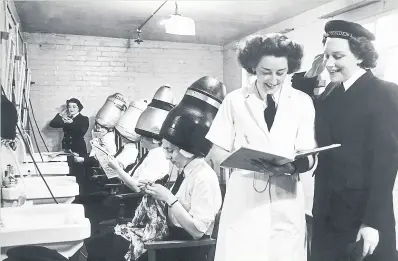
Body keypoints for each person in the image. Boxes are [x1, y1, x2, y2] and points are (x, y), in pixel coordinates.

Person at [205, 33, 317, 261]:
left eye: (281, 73)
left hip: (286, 199)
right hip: (244, 198)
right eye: (266, 72)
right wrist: (241, 160)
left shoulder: (302, 102)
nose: (273, 79)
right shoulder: (234, 101)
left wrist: (291, 168)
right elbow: (215, 151)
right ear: (253, 67)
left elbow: (310, 155)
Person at [106, 77, 224, 261]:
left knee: (112, 252)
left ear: (187, 151)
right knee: (105, 241)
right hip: (171, 235)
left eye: (170, 150)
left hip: (184, 250)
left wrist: (168, 198)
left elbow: (197, 232)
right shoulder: (186, 171)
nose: (167, 156)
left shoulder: (204, 179)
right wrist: (154, 191)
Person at [311, 20, 398, 261]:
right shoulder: (330, 94)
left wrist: (372, 222)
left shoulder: (385, 93)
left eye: (337, 56)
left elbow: (386, 165)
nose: (329, 64)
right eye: (326, 56)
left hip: (362, 218)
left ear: (359, 56)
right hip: (327, 212)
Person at [49, 98, 89, 193]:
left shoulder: (83, 119)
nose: (71, 109)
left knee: (78, 174)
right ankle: (70, 194)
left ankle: (80, 196)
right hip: (66, 150)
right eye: (69, 107)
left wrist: (72, 123)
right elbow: (53, 124)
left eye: (74, 107)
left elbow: (82, 131)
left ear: (79, 108)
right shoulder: (67, 118)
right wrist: (61, 114)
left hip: (78, 149)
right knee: (69, 172)